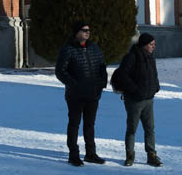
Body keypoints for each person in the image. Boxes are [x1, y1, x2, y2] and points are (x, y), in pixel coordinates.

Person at [55, 20, 108, 166]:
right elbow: (60, 71)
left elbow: (102, 66)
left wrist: (102, 83)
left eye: (88, 30)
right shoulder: (67, 49)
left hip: (93, 93)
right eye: (84, 30)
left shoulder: (94, 48)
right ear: (76, 32)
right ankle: (73, 155)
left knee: (90, 124)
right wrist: (74, 84)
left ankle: (91, 153)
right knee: (74, 124)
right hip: (75, 95)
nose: (87, 32)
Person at [115, 33, 162, 167]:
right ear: (144, 45)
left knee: (150, 128)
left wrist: (156, 87)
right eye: (151, 44)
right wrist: (135, 90)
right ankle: (130, 155)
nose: (153, 47)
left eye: (154, 44)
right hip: (134, 101)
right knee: (132, 129)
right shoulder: (131, 57)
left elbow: (154, 74)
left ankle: (151, 155)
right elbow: (122, 76)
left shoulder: (150, 57)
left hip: (148, 99)